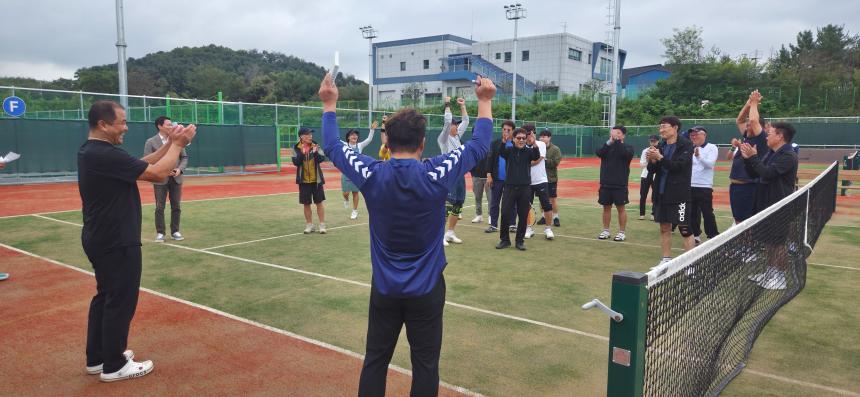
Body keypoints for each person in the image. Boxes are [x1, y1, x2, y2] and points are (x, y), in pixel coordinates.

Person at [318, 72, 495, 396]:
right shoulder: (436, 172)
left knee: (375, 360)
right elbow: (479, 145)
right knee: (425, 365)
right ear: (422, 143)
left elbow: (331, 145)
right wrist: (484, 101)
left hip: (385, 289)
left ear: (386, 142)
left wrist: (329, 105)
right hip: (427, 290)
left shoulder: (371, 173)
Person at [78, 100, 195, 382]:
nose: (126, 128)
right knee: (120, 300)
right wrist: (178, 145)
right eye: (122, 122)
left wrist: (170, 143)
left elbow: (144, 163)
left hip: (102, 236)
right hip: (116, 239)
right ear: (103, 124)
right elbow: (156, 174)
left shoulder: (94, 150)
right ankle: (114, 364)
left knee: (106, 296)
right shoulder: (103, 153)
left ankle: (99, 357)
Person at [741, 122, 799, 290]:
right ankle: (770, 272)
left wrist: (753, 158)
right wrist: (748, 159)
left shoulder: (788, 155)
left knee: (778, 243)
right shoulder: (771, 153)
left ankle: (780, 278)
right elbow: (755, 173)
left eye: (770, 133)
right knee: (769, 241)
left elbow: (768, 173)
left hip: (779, 205)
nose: (767, 136)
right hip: (766, 204)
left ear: (780, 136)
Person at [646, 116, 695, 265]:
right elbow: (652, 170)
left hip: (679, 195)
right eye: (660, 127)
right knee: (664, 228)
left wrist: (660, 158)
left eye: (664, 126)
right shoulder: (661, 145)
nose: (661, 130)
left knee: (685, 229)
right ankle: (665, 260)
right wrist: (652, 160)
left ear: (675, 128)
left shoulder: (686, 145)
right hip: (661, 193)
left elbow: (678, 167)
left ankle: (690, 264)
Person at [143, 116, 188, 243]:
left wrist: (179, 169)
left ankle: (175, 231)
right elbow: (147, 160)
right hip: (159, 179)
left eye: (171, 124)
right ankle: (160, 233)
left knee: (176, 206)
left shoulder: (176, 139)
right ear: (160, 126)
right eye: (168, 124)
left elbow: (184, 157)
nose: (171, 126)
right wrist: (160, 170)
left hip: (176, 179)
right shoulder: (150, 142)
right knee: (159, 207)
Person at [727, 90, 768, 225]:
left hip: (748, 187)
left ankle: (747, 240)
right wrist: (748, 103)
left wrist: (754, 103)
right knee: (738, 220)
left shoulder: (761, 139)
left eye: (750, 125)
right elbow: (739, 120)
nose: (748, 126)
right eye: (748, 125)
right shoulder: (747, 137)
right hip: (736, 186)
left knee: (745, 222)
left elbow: (754, 120)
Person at [497, 128, 540, 250]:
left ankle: (519, 241)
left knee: (523, 215)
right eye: (519, 138)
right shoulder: (509, 150)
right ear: (514, 139)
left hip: (525, 188)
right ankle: (505, 240)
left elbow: (536, 156)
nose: (521, 140)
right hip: (509, 187)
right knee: (505, 213)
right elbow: (501, 152)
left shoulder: (529, 151)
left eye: (523, 138)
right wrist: (504, 141)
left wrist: (534, 143)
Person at [437, 97, 470, 246]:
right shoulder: (443, 139)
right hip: (449, 176)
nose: (456, 126)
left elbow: (466, 121)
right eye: (454, 124)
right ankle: (439, 236)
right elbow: (447, 121)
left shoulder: (457, 136)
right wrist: (448, 104)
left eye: (456, 124)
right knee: (447, 207)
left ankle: (450, 233)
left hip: (460, 175)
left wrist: (462, 106)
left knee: (458, 204)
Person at [596, 125, 634, 241]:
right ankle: (606, 230)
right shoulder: (607, 146)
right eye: (613, 132)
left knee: (621, 208)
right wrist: (610, 142)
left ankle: (622, 232)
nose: (614, 135)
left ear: (623, 135)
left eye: (618, 133)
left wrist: (617, 141)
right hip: (605, 183)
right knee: (606, 208)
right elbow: (599, 152)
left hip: (620, 184)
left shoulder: (628, 147)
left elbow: (625, 154)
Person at [688, 126, 719, 244]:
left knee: (707, 212)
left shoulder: (712, 147)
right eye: (692, 135)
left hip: (704, 185)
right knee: (692, 212)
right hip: (691, 185)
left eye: (696, 134)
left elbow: (710, 164)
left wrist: (699, 156)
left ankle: (712, 235)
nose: (694, 136)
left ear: (704, 135)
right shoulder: (690, 148)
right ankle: (695, 235)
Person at [292, 128, 327, 234]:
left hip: (316, 181)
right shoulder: (296, 148)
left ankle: (322, 225)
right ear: (301, 137)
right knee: (306, 204)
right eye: (308, 134)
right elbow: (295, 162)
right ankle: (309, 225)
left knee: (319, 202)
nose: (310, 136)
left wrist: (315, 152)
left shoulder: (316, 145)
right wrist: (302, 153)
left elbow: (322, 159)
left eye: (311, 134)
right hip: (303, 181)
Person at [523, 127, 554, 240]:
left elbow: (537, 160)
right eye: (528, 133)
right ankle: (529, 228)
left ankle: (548, 229)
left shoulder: (541, 144)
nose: (530, 135)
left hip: (541, 180)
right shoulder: (521, 145)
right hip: (526, 182)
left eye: (532, 133)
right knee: (526, 206)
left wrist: (525, 162)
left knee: (546, 205)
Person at [341, 121, 377, 219]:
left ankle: (354, 211)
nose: (355, 136)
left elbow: (369, 139)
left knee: (355, 192)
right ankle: (346, 199)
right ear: (348, 137)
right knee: (345, 193)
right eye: (352, 135)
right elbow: (336, 140)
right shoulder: (344, 145)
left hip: (357, 172)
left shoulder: (360, 146)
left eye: (356, 135)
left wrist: (372, 130)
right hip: (346, 173)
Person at [485, 120, 515, 233]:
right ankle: (493, 225)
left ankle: (512, 224)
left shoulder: (516, 143)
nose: (506, 132)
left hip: (511, 180)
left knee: (512, 203)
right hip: (497, 179)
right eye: (504, 129)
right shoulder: (495, 143)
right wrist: (489, 175)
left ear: (513, 131)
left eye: (509, 130)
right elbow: (490, 159)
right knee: (494, 203)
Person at [536, 129, 562, 227]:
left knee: (552, 199)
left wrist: (544, 159)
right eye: (541, 137)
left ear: (549, 138)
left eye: (544, 137)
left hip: (551, 178)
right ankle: (544, 217)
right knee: (541, 199)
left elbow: (556, 163)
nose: (542, 138)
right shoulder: (537, 147)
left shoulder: (555, 149)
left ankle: (555, 217)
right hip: (539, 178)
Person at [638, 135, 659, 221]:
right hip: (645, 175)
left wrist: (655, 159)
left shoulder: (660, 150)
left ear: (658, 141)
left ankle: (653, 214)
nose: (652, 143)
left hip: (656, 175)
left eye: (654, 141)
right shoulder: (645, 151)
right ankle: (642, 214)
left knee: (655, 195)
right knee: (643, 195)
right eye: (651, 141)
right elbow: (641, 164)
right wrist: (648, 160)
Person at [469, 149, 491, 224]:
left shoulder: (490, 147)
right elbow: (470, 160)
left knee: (490, 197)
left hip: (488, 177)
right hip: (476, 176)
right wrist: (473, 173)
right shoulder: (474, 148)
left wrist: (491, 174)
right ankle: (479, 215)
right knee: (477, 197)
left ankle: (491, 216)